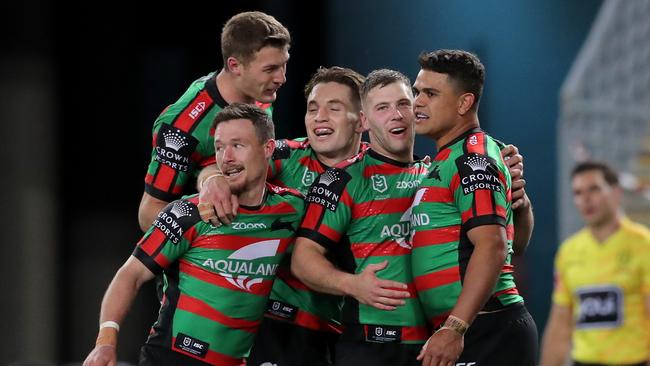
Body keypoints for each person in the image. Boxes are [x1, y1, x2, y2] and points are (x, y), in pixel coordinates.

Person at [82, 104, 305, 366]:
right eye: (220, 147)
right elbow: (130, 275)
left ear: (268, 149)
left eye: (238, 145)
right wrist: (105, 342)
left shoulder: (293, 208)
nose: (227, 157)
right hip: (171, 358)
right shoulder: (189, 212)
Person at [291, 69, 435, 366]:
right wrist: (353, 284)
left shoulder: (437, 174)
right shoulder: (341, 180)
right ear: (365, 122)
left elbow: (510, 245)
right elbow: (303, 259)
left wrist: (520, 205)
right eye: (382, 108)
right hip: (370, 346)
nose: (396, 115)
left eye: (403, 104)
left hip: (436, 344)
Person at [410, 49, 537, 366]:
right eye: (416, 92)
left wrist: (455, 328)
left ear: (464, 103)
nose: (417, 102)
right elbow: (515, 244)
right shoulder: (452, 157)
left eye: (430, 93)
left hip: (486, 329)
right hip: (473, 327)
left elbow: (495, 247)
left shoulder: (471, 158)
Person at [246, 66, 367, 366]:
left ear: (361, 121)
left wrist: (504, 171)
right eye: (313, 108)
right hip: (272, 326)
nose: (319, 117)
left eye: (333, 108)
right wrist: (213, 181)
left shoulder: (385, 172)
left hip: (347, 333)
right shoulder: (283, 156)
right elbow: (228, 165)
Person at [138, 11, 290, 232]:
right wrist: (208, 225)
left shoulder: (260, 92)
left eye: (283, 65)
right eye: (270, 69)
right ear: (235, 66)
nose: (281, 78)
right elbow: (149, 213)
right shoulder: (181, 127)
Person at [540, 161, 650, 366]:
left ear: (616, 192)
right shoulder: (568, 252)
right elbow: (560, 324)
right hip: (584, 361)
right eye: (578, 193)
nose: (586, 199)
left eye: (594, 189)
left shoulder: (644, 244)